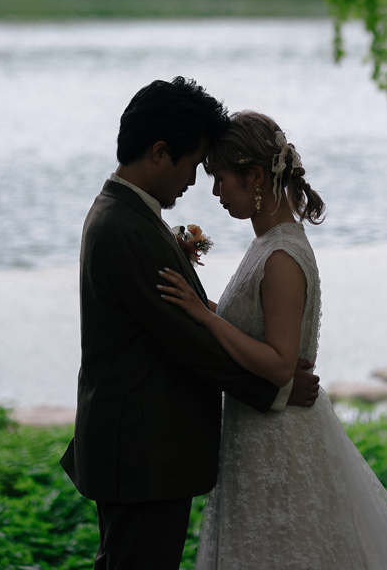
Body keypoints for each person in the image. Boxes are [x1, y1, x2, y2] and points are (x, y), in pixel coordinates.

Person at [157, 110, 387, 570]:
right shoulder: (267, 243)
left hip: (278, 441)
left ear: (255, 176)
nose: (216, 192)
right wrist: (199, 303)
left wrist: (203, 317)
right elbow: (252, 325)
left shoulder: (282, 256)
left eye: (221, 178)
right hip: (258, 433)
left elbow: (280, 364)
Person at [60, 79, 319, 570]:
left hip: (140, 450)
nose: (197, 183)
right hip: (142, 454)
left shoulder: (126, 213)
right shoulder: (127, 228)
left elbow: (190, 324)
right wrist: (277, 390)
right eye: (195, 164)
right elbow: (188, 340)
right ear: (160, 152)